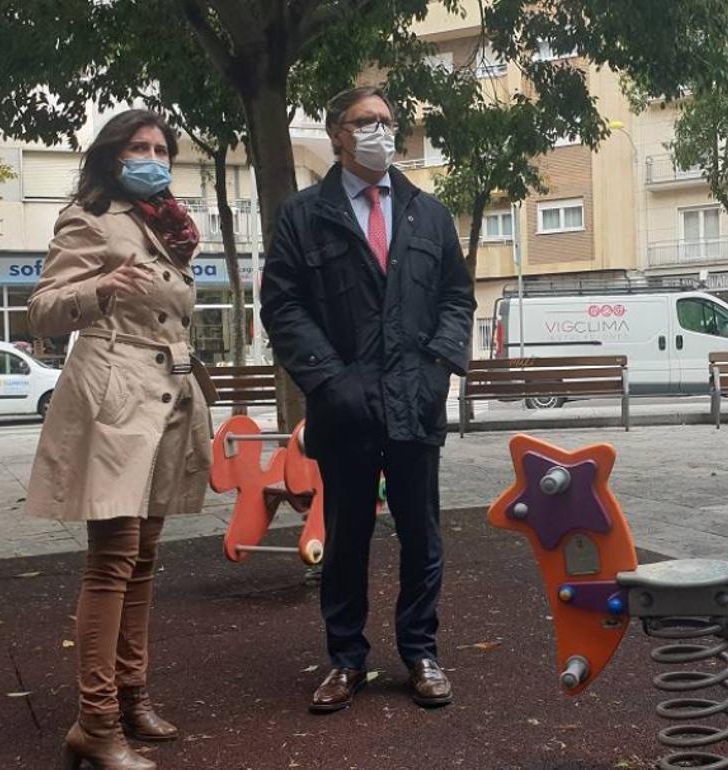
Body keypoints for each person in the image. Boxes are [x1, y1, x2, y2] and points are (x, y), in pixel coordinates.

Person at [260, 86, 476, 714]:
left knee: (422, 536)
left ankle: (421, 652)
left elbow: (456, 298)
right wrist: (332, 381)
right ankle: (346, 659)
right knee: (346, 539)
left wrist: (437, 369)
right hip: (344, 409)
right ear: (337, 132)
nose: (380, 130)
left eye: (387, 120)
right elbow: (283, 306)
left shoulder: (427, 213)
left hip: (416, 403)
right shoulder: (304, 215)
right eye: (365, 121)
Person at [25, 109, 213, 770]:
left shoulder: (169, 225)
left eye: (162, 148)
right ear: (112, 155)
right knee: (113, 556)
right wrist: (99, 288)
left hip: (168, 396)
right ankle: (96, 722)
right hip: (115, 397)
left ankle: (133, 698)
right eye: (139, 146)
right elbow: (42, 309)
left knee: (146, 556)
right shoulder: (91, 217)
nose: (153, 157)